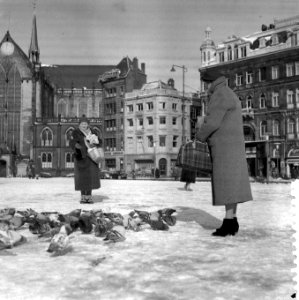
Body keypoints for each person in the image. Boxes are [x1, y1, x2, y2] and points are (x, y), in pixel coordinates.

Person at [196, 69, 253, 237]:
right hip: (233, 146)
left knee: (226, 185)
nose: (206, 87)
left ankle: (228, 223)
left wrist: (199, 136)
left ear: (212, 82)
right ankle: (232, 219)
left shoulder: (220, 95)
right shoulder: (230, 93)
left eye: (206, 84)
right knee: (233, 184)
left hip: (223, 147)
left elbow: (212, 122)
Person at [70, 115, 101, 204]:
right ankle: (83, 196)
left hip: (92, 157)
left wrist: (96, 141)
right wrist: (76, 146)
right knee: (82, 178)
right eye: (82, 123)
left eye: (85, 123)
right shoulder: (76, 132)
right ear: (79, 125)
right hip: (81, 157)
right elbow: (72, 142)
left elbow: (100, 141)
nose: (84, 125)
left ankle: (89, 196)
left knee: (90, 178)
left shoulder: (93, 131)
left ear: (88, 124)